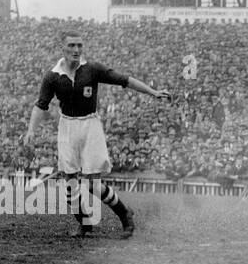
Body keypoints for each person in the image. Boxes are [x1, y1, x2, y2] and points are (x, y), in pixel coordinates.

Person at [23, 30, 171, 238]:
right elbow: (40, 106)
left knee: (92, 183)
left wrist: (153, 92)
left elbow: (125, 80)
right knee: (70, 182)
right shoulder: (52, 76)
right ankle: (84, 222)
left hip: (90, 125)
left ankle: (124, 214)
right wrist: (31, 130)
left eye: (79, 45)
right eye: (72, 45)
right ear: (62, 48)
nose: (76, 50)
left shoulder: (92, 69)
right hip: (67, 126)